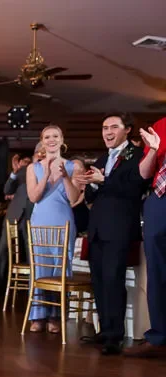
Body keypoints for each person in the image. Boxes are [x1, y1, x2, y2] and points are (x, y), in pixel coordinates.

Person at [74, 113, 145, 355]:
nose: (107, 131)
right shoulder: (103, 157)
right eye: (104, 127)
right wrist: (90, 184)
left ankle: (115, 336)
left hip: (119, 228)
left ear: (127, 130)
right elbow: (93, 198)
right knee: (100, 282)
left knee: (114, 282)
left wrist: (103, 180)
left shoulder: (136, 156)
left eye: (113, 127)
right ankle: (104, 330)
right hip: (97, 229)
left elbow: (134, 188)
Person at [25, 125, 82, 334]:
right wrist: (47, 172)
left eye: (55, 136)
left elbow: (74, 198)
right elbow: (33, 197)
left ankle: (55, 316)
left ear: (62, 140)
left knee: (61, 270)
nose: (51, 140)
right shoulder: (33, 168)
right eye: (47, 137)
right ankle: (38, 316)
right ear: (42, 140)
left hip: (63, 223)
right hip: (40, 223)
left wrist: (65, 176)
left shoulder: (72, 166)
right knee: (40, 269)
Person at [125, 118, 166, 358]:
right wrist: (152, 149)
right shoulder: (160, 125)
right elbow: (144, 173)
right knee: (158, 272)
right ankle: (159, 336)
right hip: (159, 201)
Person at [0, 147, 38, 294]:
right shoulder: (19, 173)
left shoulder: (38, 171)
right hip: (13, 216)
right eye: (24, 162)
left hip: (32, 217)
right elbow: (6, 190)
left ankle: (33, 288)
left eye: (28, 162)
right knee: (3, 250)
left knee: (31, 251)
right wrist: (14, 172)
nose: (27, 164)